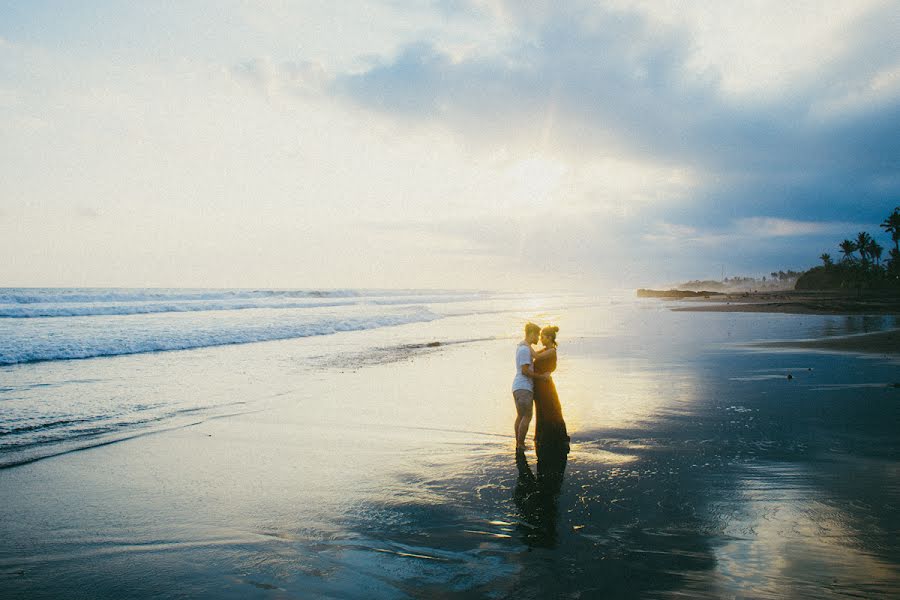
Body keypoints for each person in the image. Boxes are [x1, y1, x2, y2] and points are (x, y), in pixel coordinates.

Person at [532, 325, 570, 463]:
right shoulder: (545, 350)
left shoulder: (551, 351)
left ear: (549, 338)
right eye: (540, 336)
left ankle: (554, 438)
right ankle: (545, 437)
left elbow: (535, 356)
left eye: (543, 336)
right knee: (543, 410)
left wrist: (525, 344)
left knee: (551, 409)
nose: (541, 338)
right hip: (540, 384)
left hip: (545, 385)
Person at [512, 322, 546, 453]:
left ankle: (519, 443)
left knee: (520, 416)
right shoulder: (525, 349)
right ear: (531, 334)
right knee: (527, 416)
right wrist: (541, 377)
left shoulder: (523, 347)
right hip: (524, 387)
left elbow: (536, 355)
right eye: (537, 334)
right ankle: (520, 445)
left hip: (518, 387)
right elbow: (525, 371)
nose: (538, 338)